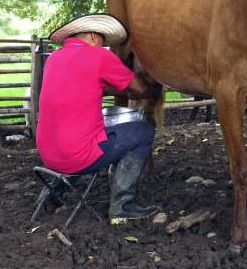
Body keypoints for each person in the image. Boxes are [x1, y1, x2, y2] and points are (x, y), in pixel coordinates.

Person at [37, 13, 159, 224]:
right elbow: (139, 90)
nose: (105, 47)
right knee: (144, 131)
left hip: (48, 157)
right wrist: (154, 87)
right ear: (94, 36)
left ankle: (54, 193)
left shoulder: (54, 59)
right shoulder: (100, 57)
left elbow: (85, 88)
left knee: (77, 135)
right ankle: (122, 205)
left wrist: (110, 89)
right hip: (77, 158)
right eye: (104, 41)